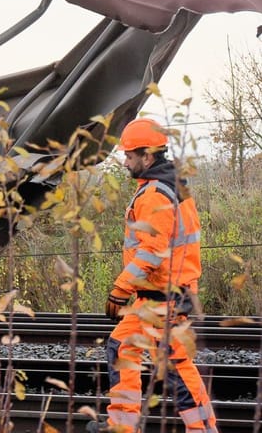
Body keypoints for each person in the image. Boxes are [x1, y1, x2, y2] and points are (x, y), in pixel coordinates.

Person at [93, 117, 217, 433]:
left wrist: (120, 288)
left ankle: (203, 429)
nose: (124, 161)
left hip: (165, 297)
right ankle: (121, 426)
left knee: (175, 365)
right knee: (122, 346)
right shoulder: (169, 184)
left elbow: (153, 250)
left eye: (129, 155)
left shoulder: (155, 194)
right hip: (156, 295)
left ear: (147, 156)